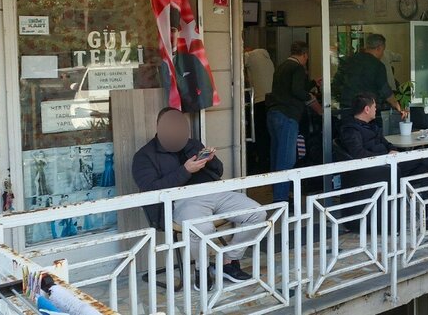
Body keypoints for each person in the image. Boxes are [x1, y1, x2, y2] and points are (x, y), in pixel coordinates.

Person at [132, 107, 265, 289]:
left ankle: (228, 261)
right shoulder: (144, 156)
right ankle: (201, 270)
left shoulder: (192, 144)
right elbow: (150, 190)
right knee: (203, 228)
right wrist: (185, 170)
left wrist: (211, 160)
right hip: (182, 202)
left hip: (214, 192)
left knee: (257, 214)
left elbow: (218, 171)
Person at [339, 94, 428, 230]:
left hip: (390, 164)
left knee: (426, 170)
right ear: (367, 109)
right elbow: (358, 154)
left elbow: (387, 144)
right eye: (374, 107)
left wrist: (393, 150)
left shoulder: (373, 126)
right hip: (376, 169)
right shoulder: (350, 129)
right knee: (422, 157)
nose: (376, 109)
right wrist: (385, 156)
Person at [265, 41, 322, 204]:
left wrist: (312, 83)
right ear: (304, 54)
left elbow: (290, 88)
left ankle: (278, 192)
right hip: (288, 115)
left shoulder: (282, 67)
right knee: (286, 159)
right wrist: (310, 97)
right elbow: (297, 90)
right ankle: (281, 199)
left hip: (273, 113)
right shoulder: (298, 68)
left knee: (276, 155)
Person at [334, 34, 409, 129]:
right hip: (367, 110)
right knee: (370, 135)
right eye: (383, 50)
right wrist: (398, 107)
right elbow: (385, 91)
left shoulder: (349, 61)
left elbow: (336, 83)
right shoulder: (378, 66)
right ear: (379, 48)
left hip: (347, 107)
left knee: (349, 134)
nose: (382, 54)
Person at [243, 47, 275, 175]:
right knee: (268, 135)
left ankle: (260, 165)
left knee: (259, 135)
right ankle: (267, 163)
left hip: (258, 101)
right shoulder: (267, 58)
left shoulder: (250, 56)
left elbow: (235, 62)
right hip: (271, 100)